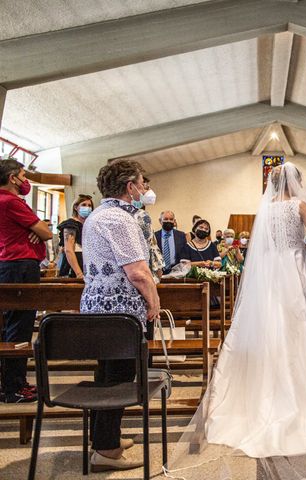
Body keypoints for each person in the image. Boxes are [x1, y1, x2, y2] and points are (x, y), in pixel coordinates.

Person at [165, 163, 306, 478]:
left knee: (269, 325)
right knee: (296, 326)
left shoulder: (265, 210)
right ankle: (304, 384)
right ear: (295, 182)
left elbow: (264, 246)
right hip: (292, 269)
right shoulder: (300, 206)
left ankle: (265, 382)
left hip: (269, 273)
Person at [81, 159, 160, 472]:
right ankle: (106, 450)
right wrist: (153, 301)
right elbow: (138, 272)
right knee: (120, 378)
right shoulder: (119, 219)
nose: (144, 189)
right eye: (142, 183)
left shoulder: (99, 214)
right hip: (118, 314)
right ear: (131, 187)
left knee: (106, 375)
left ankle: (104, 436)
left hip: (99, 308)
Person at [0, 159, 52, 403]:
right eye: (23, 174)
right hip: (19, 265)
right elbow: (46, 232)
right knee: (19, 328)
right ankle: (14, 386)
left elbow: (41, 229)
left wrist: (36, 228)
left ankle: (11, 382)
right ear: (13, 178)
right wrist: (37, 229)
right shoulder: (10, 201)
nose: (25, 179)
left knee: (12, 325)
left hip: (11, 265)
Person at [58, 194, 94, 279]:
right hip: (74, 266)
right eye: (84, 205)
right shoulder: (71, 224)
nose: (87, 207)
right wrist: (79, 274)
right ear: (76, 207)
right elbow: (69, 250)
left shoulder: (90, 224)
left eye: (89, 205)